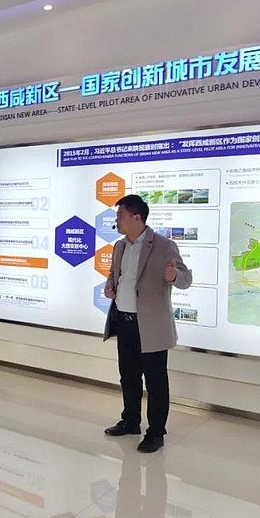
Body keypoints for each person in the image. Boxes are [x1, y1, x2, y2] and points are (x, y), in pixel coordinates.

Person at [103, 194, 192, 453]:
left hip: (151, 326)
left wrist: (173, 276)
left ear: (136, 217)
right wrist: (110, 286)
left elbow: (186, 278)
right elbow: (114, 275)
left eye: (120, 215)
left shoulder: (163, 246)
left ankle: (155, 433)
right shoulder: (120, 246)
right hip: (124, 322)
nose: (117, 220)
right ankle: (131, 421)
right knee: (128, 377)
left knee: (155, 382)